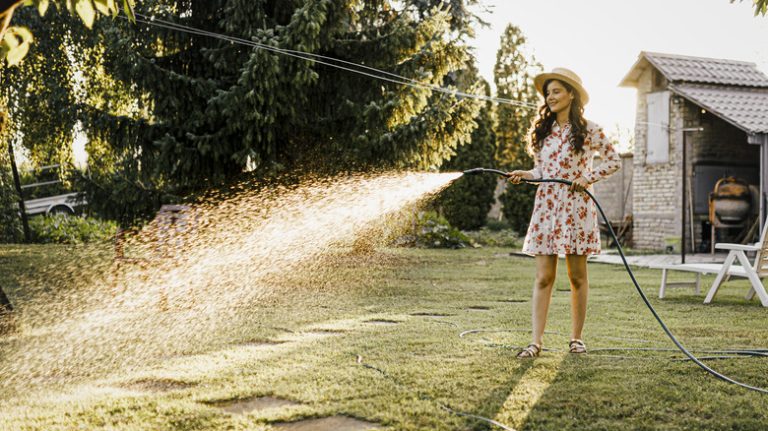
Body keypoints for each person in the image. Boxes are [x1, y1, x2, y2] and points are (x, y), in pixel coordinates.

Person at [507, 67, 620, 358]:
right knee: (544, 277)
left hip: (576, 207)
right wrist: (527, 174)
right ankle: (535, 342)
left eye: (557, 91)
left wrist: (587, 178)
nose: (550, 96)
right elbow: (542, 171)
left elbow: (614, 161)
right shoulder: (542, 133)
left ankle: (576, 339)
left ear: (572, 94)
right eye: (548, 92)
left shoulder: (589, 129)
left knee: (577, 277)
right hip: (546, 208)